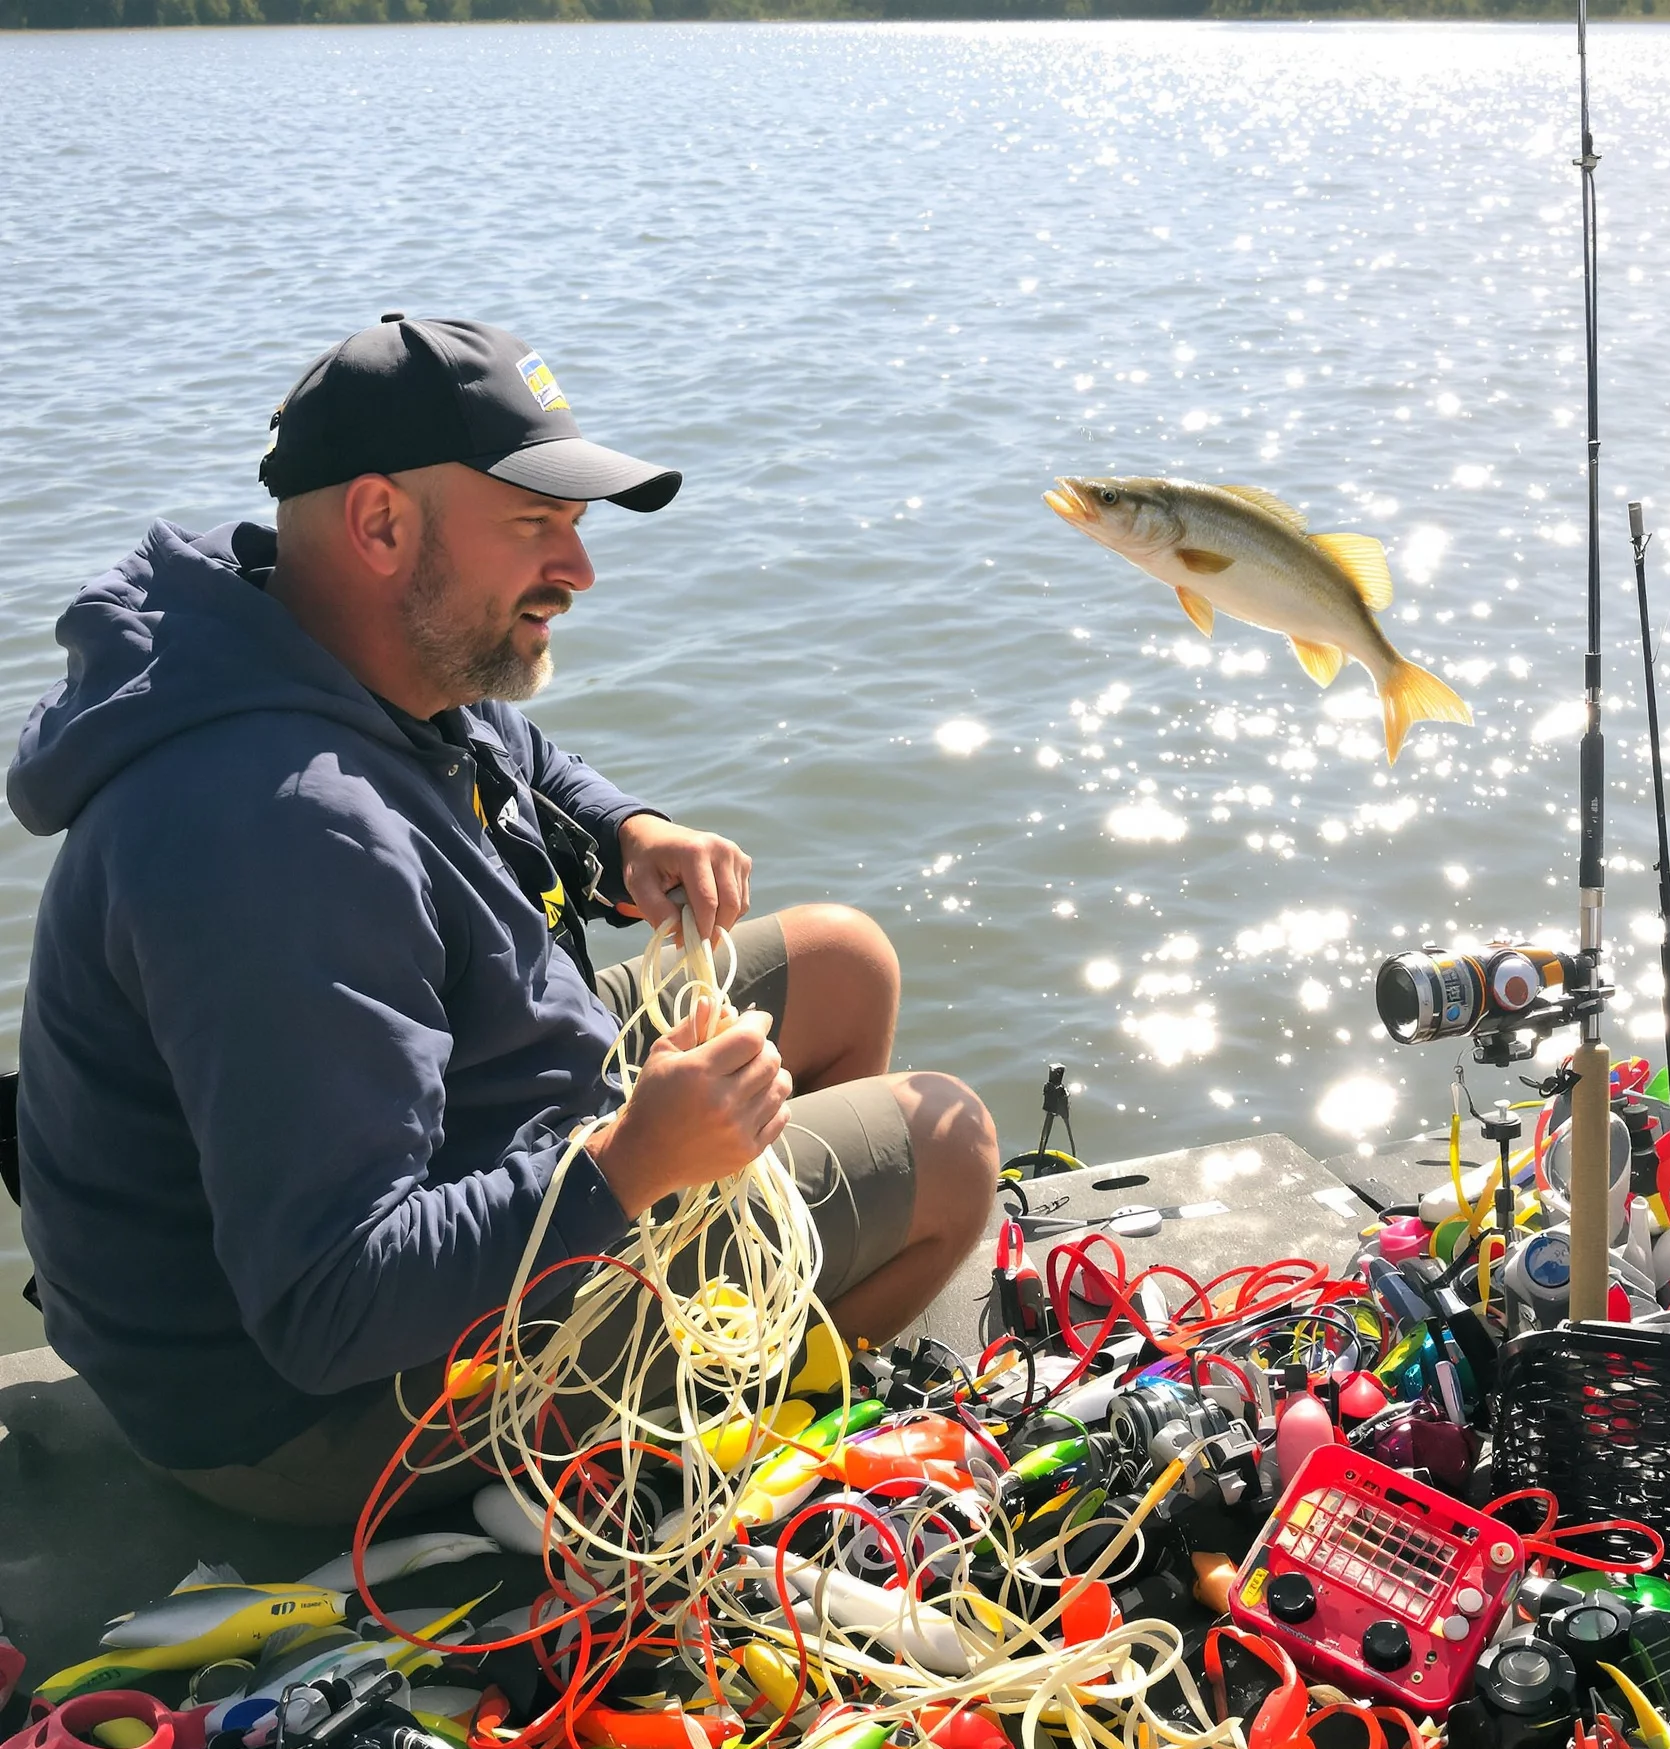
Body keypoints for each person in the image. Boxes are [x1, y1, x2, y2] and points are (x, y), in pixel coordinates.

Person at [6, 314, 998, 1523]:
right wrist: (632, 1161)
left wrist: (625, 830)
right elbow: (330, 1305)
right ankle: (717, 1456)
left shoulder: (304, 626)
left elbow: (498, 739)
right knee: (948, 1153)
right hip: (305, 1419)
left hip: (451, 1135)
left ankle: (730, 1322)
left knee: (843, 962)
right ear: (380, 523)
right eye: (535, 523)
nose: (578, 568)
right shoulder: (276, 831)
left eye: (574, 523)